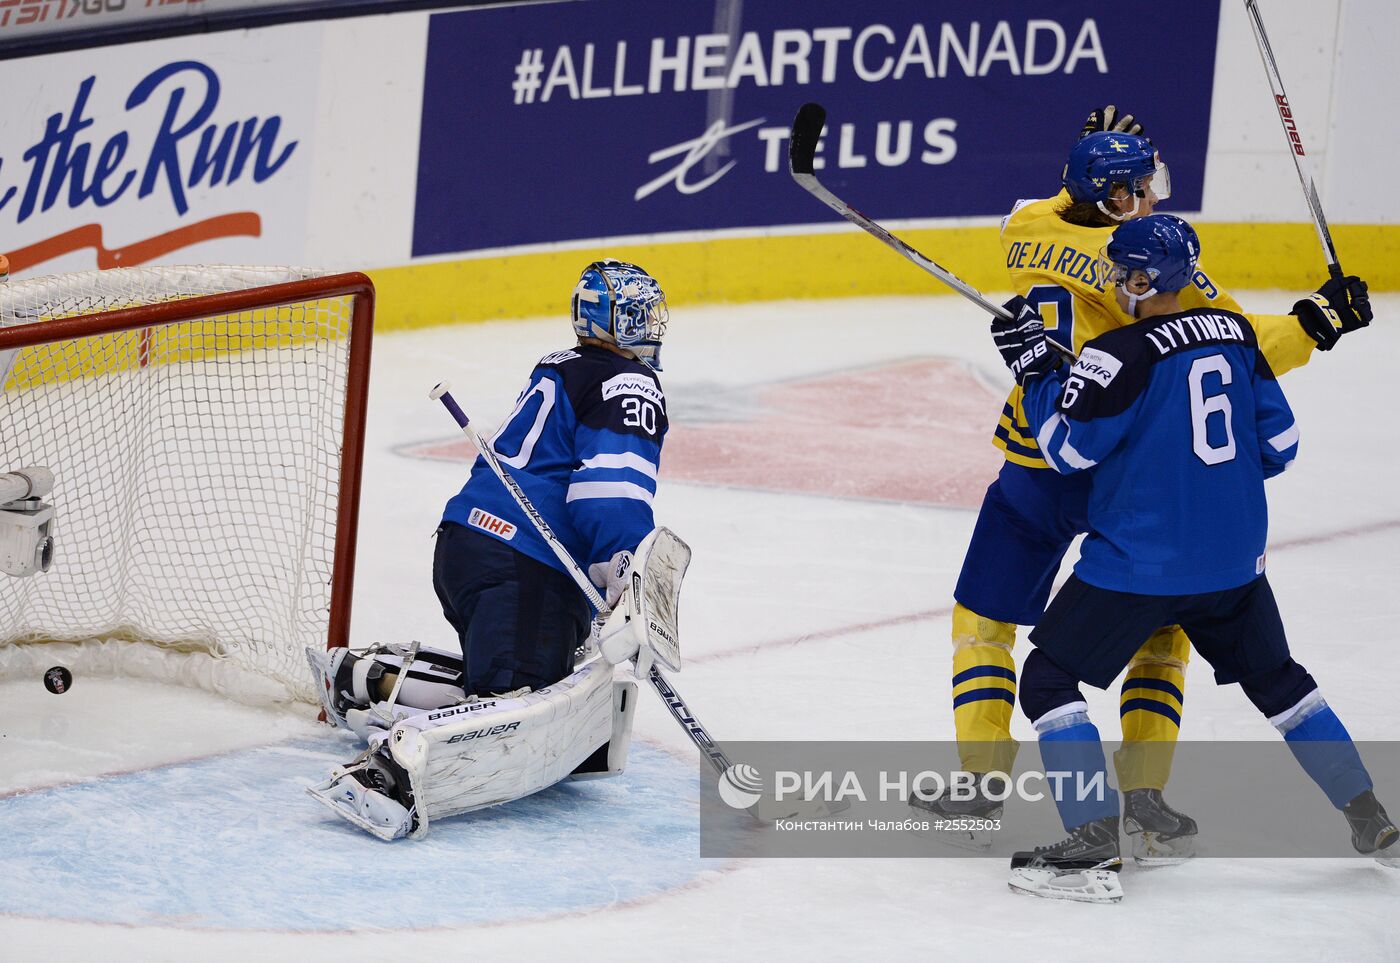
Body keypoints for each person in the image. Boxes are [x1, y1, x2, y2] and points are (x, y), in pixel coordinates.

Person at [926, 107, 1374, 862]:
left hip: (1040, 455)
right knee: (1161, 633)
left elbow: (1063, 207)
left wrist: (1095, 153)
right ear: (1112, 204)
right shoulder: (1142, 261)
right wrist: (1316, 320)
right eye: (1136, 190)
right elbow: (1234, 340)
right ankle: (1144, 796)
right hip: (1121, 464)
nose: (1151, 201)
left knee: (983, 622)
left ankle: (981, 782)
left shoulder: (1025, 226)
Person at [988, 213, 1397, 902]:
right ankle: (1372, 818)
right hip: (1235, 565)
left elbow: (1065, 451)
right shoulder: (1234, 334)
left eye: (1122, 271)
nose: (1115, 280)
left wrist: (1035, 375)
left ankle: (1091, 840)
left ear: (1146, 279)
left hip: (1137, 567)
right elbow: (1281, 444)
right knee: (1283, 684)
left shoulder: (1114, 354)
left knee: (1048, 680)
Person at [304, 259, 671, 839]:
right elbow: (608, 498)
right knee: (513, 705)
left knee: (525, 690)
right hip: (525, 565)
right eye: (643, 315)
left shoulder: (561, 368)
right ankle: (387, 771)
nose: (654, 327)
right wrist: (624, 579)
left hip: (468, 545)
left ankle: (369, 679)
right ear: (617, 321)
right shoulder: (629, 384)